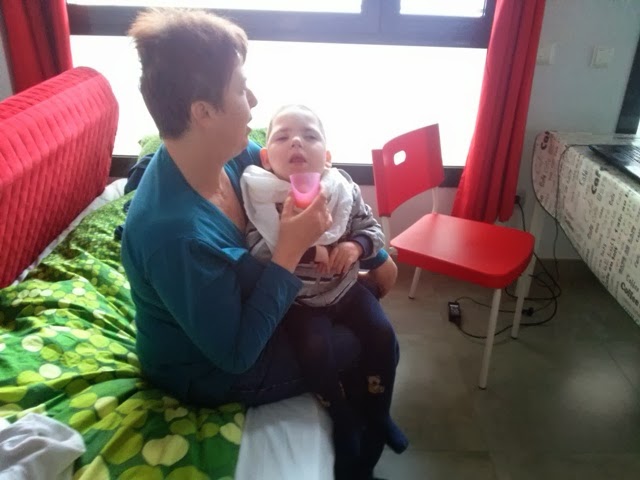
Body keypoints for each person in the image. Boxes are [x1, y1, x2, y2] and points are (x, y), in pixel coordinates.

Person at [120, 8, 398, 479]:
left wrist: (371, 249)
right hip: (207, 370)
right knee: (359, 342)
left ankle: (365, 426)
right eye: (240, 89)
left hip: (250, 307)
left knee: (368, 317)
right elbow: (235, 356)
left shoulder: (231, 157)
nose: (253, 101)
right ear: (203, 112)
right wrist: (289, 251)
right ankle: (357, 449)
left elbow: (302, 175)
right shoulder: (174, 236)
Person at [241, 104, 408, 474]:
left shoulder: (342, 188)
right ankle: (341, 415)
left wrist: (355, 247)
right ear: (266, 159)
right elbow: (255, 250)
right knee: (315, 350)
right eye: (282, 137)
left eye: (310, 136)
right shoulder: (261, 197)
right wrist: (302, 243)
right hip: (299, 302)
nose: (296, 142)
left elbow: (372, 230)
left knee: (382, 334)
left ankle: (380, 413)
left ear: (327, 157)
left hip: (345, 289)